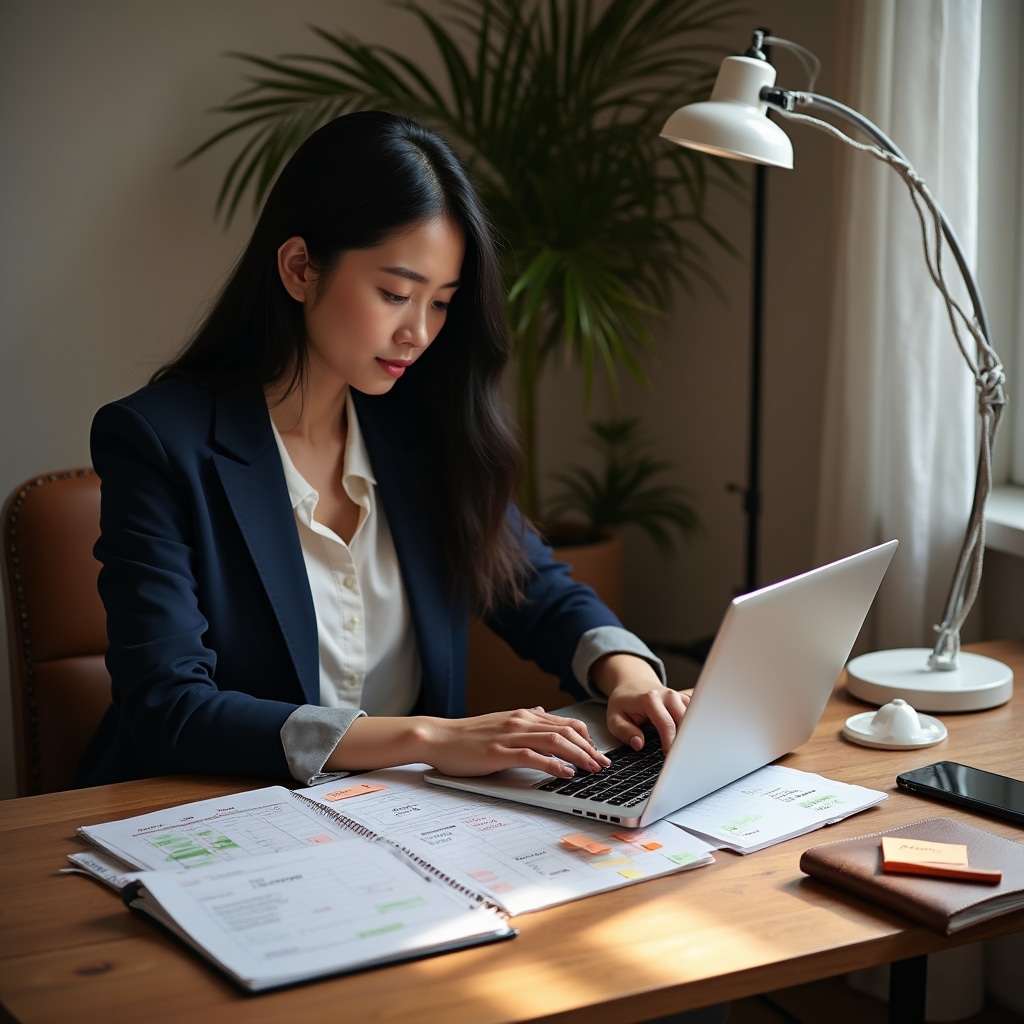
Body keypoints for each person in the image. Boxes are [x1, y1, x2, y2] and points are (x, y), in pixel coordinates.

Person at [74, 110, 689, 790]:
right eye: (395, 294)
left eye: (442, 303)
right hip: (211, 817)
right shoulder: (160, 441)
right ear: (301, 268)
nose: (418, 334)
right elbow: (170, 708)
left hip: (401, 824)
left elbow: (533, 587)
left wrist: (626, 674)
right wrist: (430, 738)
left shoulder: (421, 430)